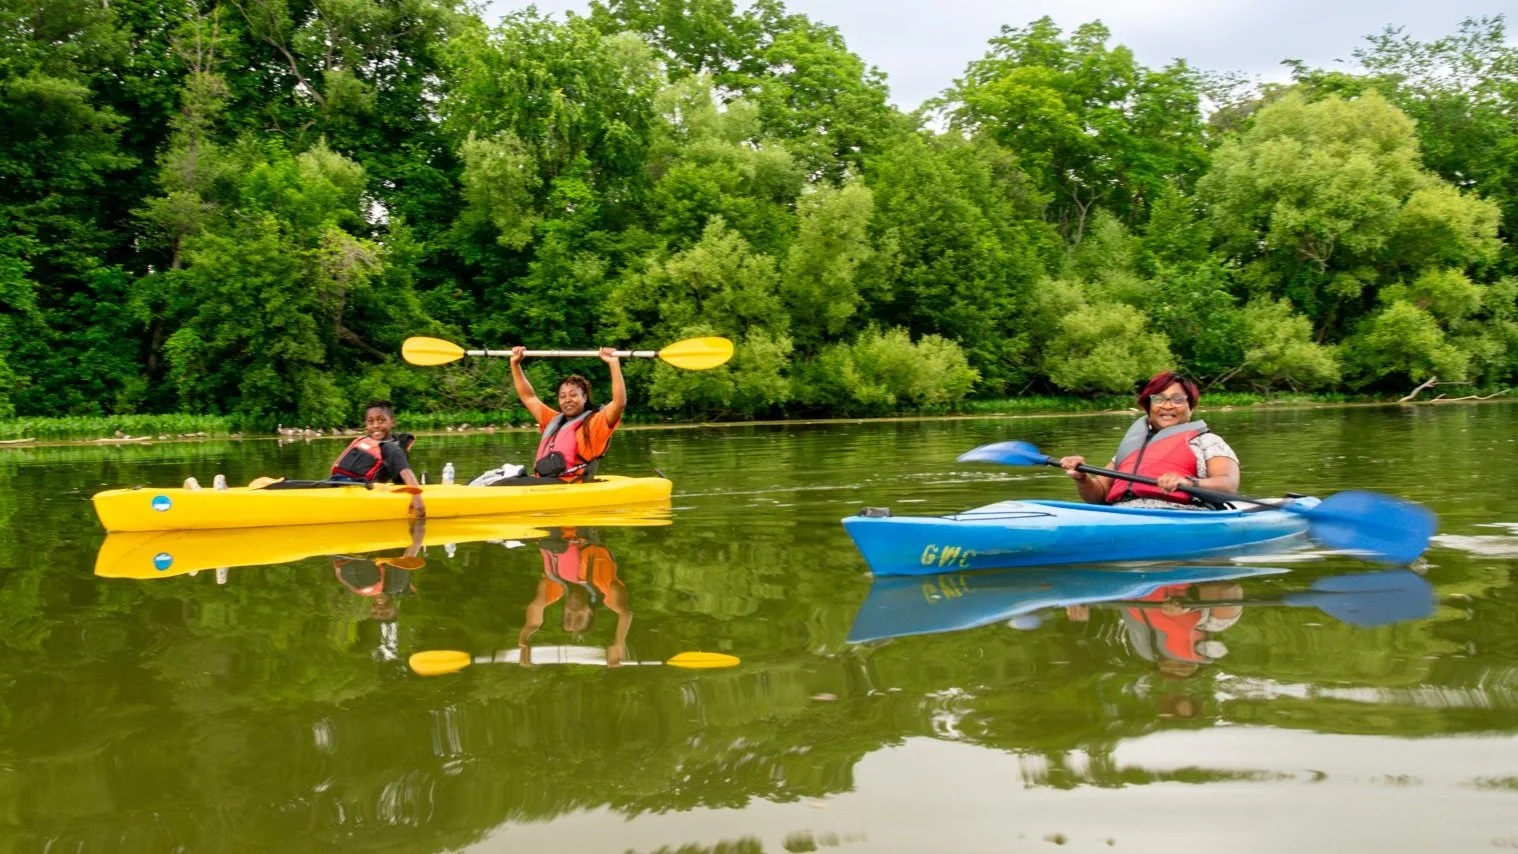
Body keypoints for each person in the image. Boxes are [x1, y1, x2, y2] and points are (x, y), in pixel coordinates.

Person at [1058, 371, 1240, 510]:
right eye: (1159, 399)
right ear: (1149, 406)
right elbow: (1098, 495)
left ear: (1190, 407)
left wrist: (1188, 483)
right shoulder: (1131, 447)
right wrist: (1082, 478)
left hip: (1181, 515)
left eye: (1177, 400)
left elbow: (1228, 485)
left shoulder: (1207, 441)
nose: (1167, 406)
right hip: (1120, 516)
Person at [485, 346, 626, 486]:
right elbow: (529, 397)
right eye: (562, 396)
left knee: (502, 484)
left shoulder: (595, 423)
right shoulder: (553, 420)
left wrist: (613, 364)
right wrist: (515, 364)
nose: (567, 399)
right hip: (545, 482)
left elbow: (619, 403)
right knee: (489, 478)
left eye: (573, 395)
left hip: (570, 483)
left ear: (585, 398)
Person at [516, 528, 632, 667]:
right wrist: (619, 643)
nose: (573, 610)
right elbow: (625, 613)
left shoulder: (554, 588)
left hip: (552, 528)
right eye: (579, 616)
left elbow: (533, 622)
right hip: (583, 525)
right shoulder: (606, 589)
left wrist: (523, 642)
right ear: (590, 612)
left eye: (568, 615)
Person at [326, 400, 426, 518]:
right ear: (366, 424)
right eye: (370, 421)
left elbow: (405, 471)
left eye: (381, 420)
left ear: (392, 422)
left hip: (360, 490)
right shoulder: (364, 441)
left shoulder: (391, 448)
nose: (375, 425)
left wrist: (417, 497)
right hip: (337, 484)